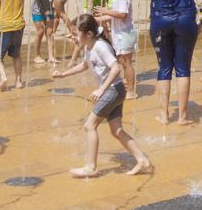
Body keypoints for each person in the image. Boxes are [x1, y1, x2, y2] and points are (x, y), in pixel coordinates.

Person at [51, 14, 150, 177]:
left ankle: (91, 167)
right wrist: (63, 74)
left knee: (89, 125)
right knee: (116, 130)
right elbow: (84, 65)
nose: (74, 36)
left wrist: (101, 89)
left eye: (76, 33)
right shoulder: (90, 47)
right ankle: (142, 160)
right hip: (115, 90)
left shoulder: (100, 46)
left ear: (88, 34)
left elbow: (116, 68)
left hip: (113, 90)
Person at [137, 0, 199, 125]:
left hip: (159, 17)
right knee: (183, 67)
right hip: (185, 14)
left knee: (164, 67)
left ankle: (163, 115)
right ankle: (182, 116)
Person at [94, 0, 139, 99]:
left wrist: (105, 11)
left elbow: (122, 14)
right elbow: (115, 16)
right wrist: (97, 19)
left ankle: (131, 91)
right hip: (121, 34)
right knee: (123, 61)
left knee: (127, 62)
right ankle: (127, 84)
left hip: (125, 34)